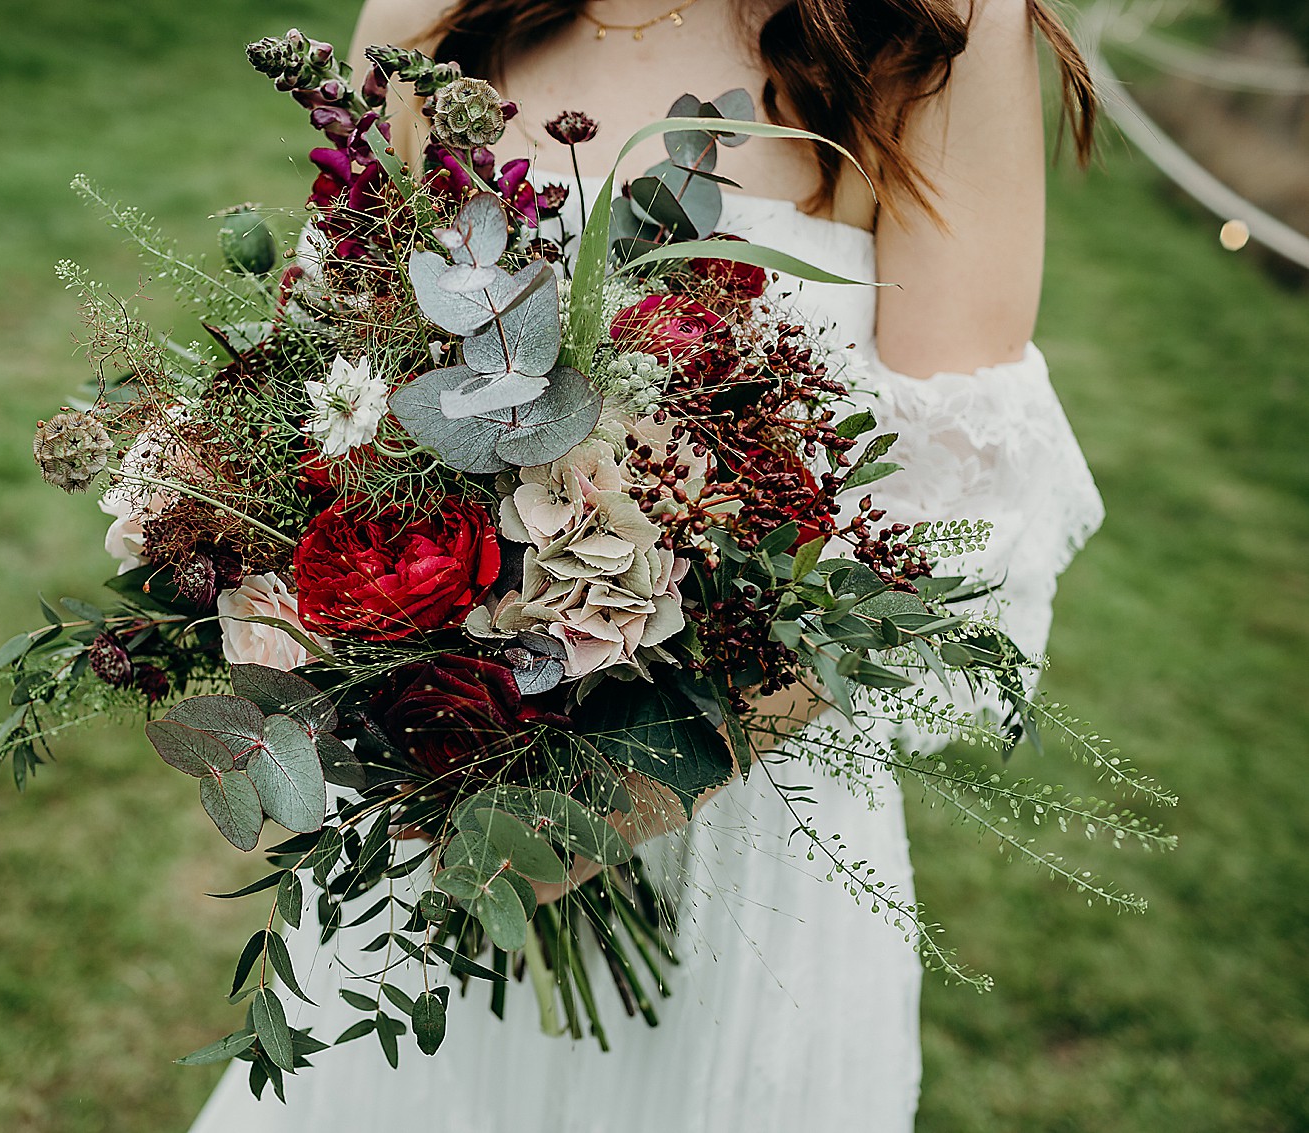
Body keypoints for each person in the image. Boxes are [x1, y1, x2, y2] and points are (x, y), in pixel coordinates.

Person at [189, 1, 1106, 1128]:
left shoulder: (924, 24)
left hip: (737, 818)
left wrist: (595, 805)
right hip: (441, 803)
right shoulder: (432, 16)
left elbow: (946, 498)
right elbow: (340, 356)